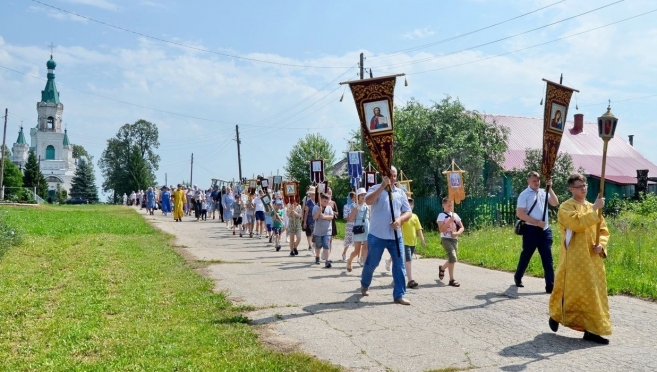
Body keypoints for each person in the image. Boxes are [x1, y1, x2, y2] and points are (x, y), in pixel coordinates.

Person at [548, 173, 611, 344]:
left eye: (584, 186)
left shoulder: (593, 206)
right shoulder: (566, 207)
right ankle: (556, 314)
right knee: (570, 291)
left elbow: (603, 230)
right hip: (574, 258)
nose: (583, 189)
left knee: (593, 293)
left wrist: (601, 245)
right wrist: (594, 209)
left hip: (592, 258)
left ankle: (592, 330)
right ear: (571, 189)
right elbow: (576, 224)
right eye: (578, 186)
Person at [360, 166, 412, 305]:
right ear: (384, 175)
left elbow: (408, 212)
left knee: (399, 265)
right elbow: (368, 201)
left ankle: (399, 295)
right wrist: (382, 186)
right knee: (372, 263)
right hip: (377, 235)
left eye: (394, 176)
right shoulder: (375, 188)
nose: (393, 178)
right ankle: (364, 284)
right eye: (390, 176)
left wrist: (400, 220)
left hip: (395, 236)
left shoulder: (400, 192)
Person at [514, 171, 559, 293]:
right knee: (526, 255)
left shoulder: (544, 192)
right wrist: (536, 222)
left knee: (547, 258)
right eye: (534, 180)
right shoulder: (524, 195)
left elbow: (555, 203)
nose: (537, 183)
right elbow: (520, 213)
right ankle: (518, 277)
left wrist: (550, 188)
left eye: (538, 180)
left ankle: (550, 286)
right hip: (531, 230)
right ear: (528, 181)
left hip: (545, 230)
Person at [386, 196, 426, 288]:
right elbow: (396, 225)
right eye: (408, 203)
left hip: (413, 242)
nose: (410, 205)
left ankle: (397, 278)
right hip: (404, 242)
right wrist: (400, 219)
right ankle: (410, 280)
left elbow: (418, 229)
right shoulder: (400, 216)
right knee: (408, 261)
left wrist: (422, 240)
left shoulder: (415, 216)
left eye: (411, 204)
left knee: (405, 262)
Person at [437, 197, 464, 287]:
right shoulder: (441, 215)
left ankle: (442, 268)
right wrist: (449, 221)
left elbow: (462, 227)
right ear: (443, 205)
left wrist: (456, 233)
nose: (450, 207)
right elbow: (441, 229)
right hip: (445, 239)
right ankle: (452, 280)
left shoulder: (455, 215)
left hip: (454, 239)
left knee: (453, 259)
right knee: (452, 257)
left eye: (451, 206)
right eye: (448, 205)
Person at [347, 188, 369, 272]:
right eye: (362, 195)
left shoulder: (367, 205)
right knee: (357, 251)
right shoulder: (354, 206)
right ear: (358, 196)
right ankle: (350, 260)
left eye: (365, 194)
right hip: (358, 227)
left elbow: (369, 217)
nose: (364, 196)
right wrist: (354, 211)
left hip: (366, 226)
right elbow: (350, 219)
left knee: (366, 247)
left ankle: (364, 264)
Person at [312, 193, 334, 267]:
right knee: (318, 246)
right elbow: (314, 217)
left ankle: (327, 260)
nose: (326, 203)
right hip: (318, 231)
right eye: (324, 201)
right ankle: (317, 257)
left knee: (326, 245)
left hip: (327, 230)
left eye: (327, 202)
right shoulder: (316, 207)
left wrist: (324, 217)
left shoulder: (329, 208)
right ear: (320, 200)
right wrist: (319, 211)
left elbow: (331, 216)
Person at [342, 192, 356, 261]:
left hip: (357, 224)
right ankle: (344, 253)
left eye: (355, 197)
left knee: (357, 240)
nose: (354, 199)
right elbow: (345, 217)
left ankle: (357, 256)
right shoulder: (346, 206)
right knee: (348, 240)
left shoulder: (357, 205)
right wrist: (351, 218)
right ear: (350, 198)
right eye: (353, 197)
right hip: (350, 224)